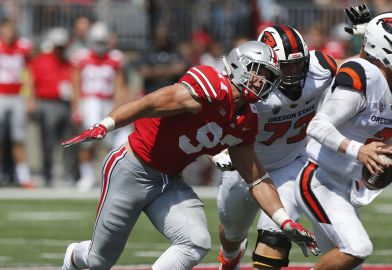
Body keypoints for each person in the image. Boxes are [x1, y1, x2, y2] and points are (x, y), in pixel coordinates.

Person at [61, 40, 319, 270]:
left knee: (196, 242)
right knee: (99, 261)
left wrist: (285, 221)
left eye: (268, 76)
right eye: (257, 72)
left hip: (169, 180)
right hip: (133, 169)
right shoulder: (210, 87)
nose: (261, 81)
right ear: (238, 66)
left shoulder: (247, 120)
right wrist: (105, 125)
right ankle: (73, 257)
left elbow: (257, 179)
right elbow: (149, 103)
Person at [295, 11, 392, 269]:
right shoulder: (362, 75)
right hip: (320, 179)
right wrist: (357, 151)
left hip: (347, 186)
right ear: (387, 48)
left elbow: (385, 146)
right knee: (357, 248)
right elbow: (317, 126)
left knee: (348, 263)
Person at [214, 25, 337, 270]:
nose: (293, 72)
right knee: (232, 231)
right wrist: (216, 152)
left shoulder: (321, 67)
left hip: (290, 163)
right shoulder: (248, 85)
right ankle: (230, 257)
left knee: (276, 233)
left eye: (298, 64)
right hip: (245, 166)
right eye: (285, 66)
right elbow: (210, 121)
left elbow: (357, 71)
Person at [71, 21, 129, 191]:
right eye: (96, 42)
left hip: (107, 101)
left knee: (110, 139)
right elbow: (75, 83)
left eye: (102, 43)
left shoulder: (115, 58)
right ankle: (86, 175)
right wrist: (76, 107)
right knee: (88, 139)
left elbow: (119, 85)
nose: (99, 47)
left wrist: (120, 106)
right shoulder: (82, 57)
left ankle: (108, 174)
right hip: (89, 101)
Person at [28, 27, 77, 187]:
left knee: (69, 141)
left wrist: (76, 106)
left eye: (62, 46)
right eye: (58, 46)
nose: (60, 49)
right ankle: (47, 174)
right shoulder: (40, 61)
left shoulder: (69, 62)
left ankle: (68, 174)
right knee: (47, 141)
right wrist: (31, 101)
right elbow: (31, 82)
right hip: (47, 103)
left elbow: (76, 84)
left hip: (65, 104)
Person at [0, 19, 33, 188]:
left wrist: (30, 98)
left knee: (18, 138)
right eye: (5, 30)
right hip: (1, 95)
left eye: (11, 30)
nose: (9, 33)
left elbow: (29, 74)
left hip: (17, 96)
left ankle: (24, 177)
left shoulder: (23, 47)